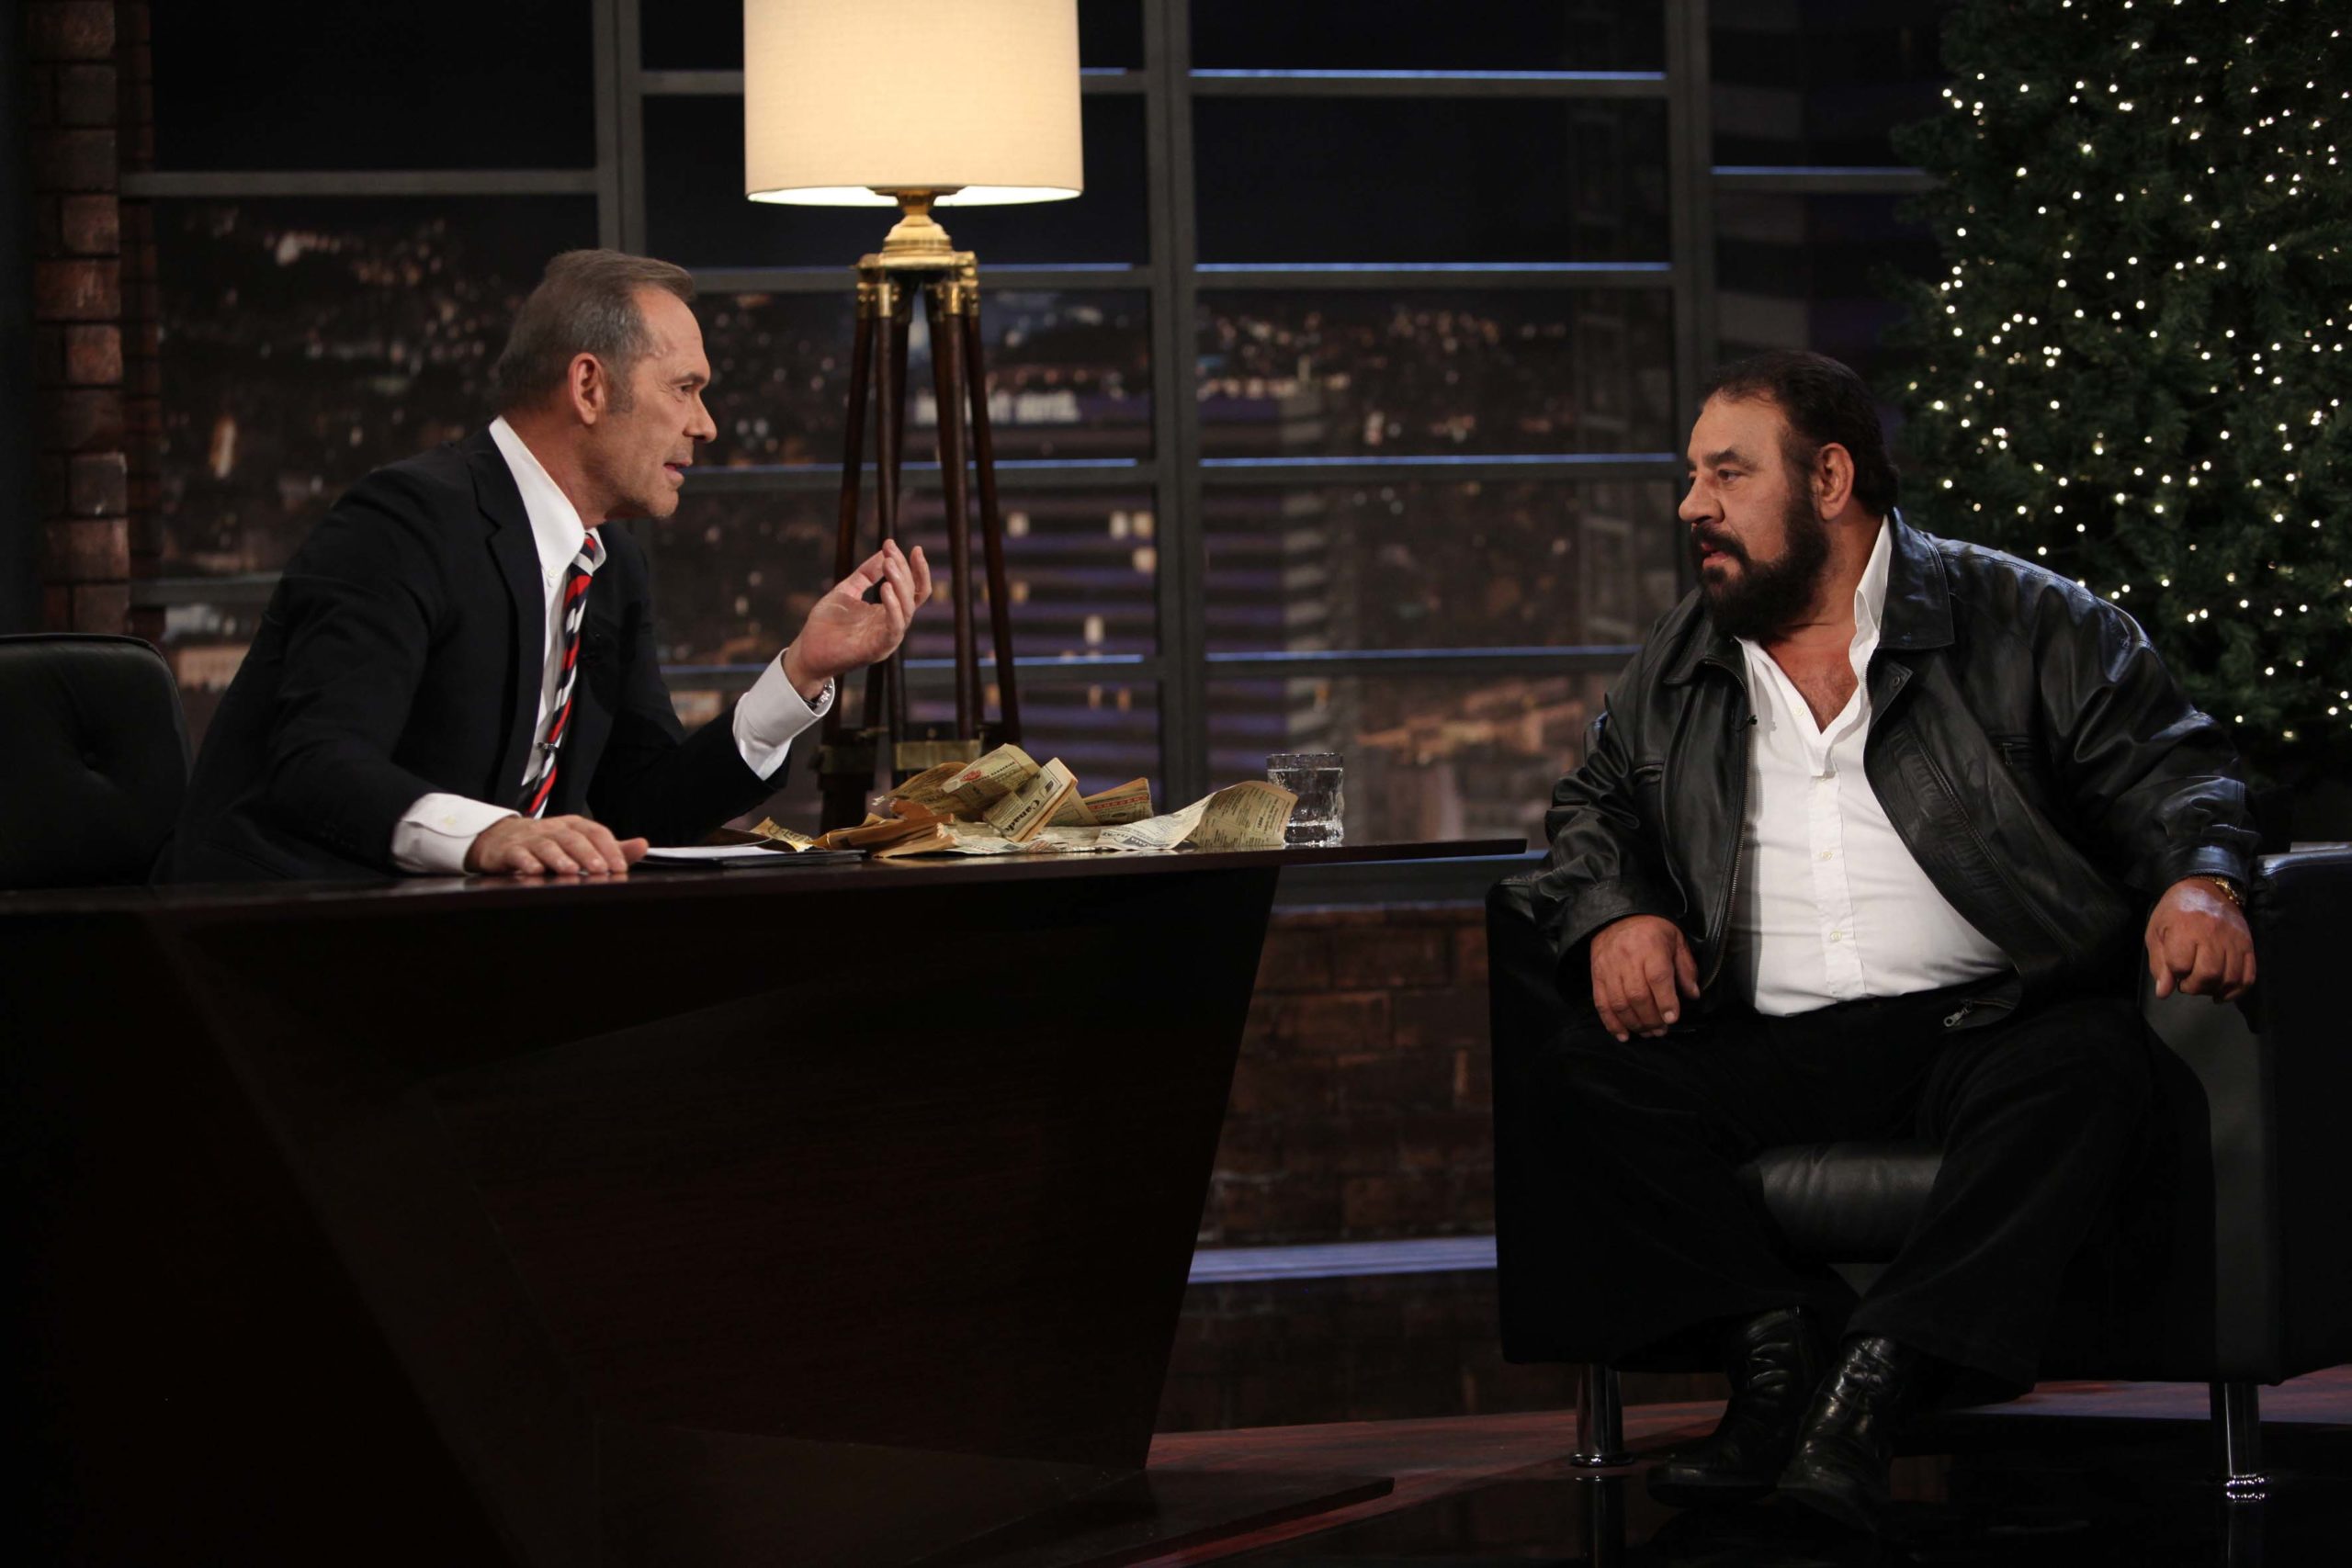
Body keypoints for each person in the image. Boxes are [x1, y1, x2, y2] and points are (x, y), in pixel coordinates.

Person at [1518, 350, 2256, 1532]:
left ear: (1828, 479)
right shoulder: (1683, 651)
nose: (1692, 505)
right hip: (1762, 1031)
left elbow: (2174, 772)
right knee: (1580, 1076)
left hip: (1986, 1020)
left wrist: (2201, 882)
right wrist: (1617, 908)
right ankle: (1776, 1358)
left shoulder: (2026, 620)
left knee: (2092, 1066)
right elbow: (1591, 807)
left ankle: (1876, 1382)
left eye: (1726, 473)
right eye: (1692, 476)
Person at [170, 250, 930, 881]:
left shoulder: (609, 564)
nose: (706, 424)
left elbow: (645, 809)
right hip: (276, 928)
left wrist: (800, 671)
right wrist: (489, 835)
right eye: (685, 389)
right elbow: (317, 763)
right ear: (589, 386)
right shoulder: (406, 520)